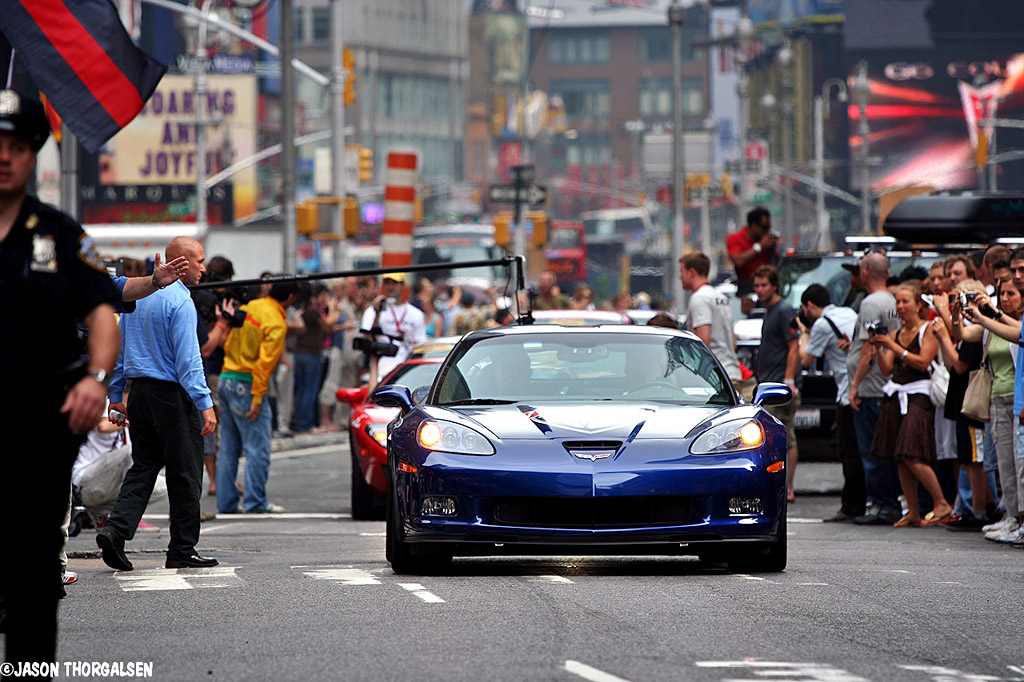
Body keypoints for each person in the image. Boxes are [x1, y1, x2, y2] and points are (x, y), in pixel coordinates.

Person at [0, 89, 120, 670]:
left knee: (30, 571)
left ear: (33, 157)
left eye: (17, 146)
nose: (4, 157)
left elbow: (102, 312)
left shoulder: (60, 234)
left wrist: (96, 377)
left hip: (40, 425)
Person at [99, 236, 218, 572]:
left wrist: (116, 394)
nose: (203, 269)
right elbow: (188, 361)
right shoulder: (181, 302)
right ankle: (182, 548)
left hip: (140, 396)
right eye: (199, 262)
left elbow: (121, 350)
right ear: (181, 263)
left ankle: (115, 530)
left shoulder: (140, 297)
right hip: (172, 396)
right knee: (186, 474)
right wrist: (204, 403)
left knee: (144, 466)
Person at [868, 281, 952, 527]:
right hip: (896, 394)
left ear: (918, 305)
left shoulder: (928, 330)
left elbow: (923, 362)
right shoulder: (895, 334)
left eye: (906, 301)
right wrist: (878, 349)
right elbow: (887, 370)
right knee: (900, 455)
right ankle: (913, 511)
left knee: (910, 451)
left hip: (918, 396)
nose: (901, 306)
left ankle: (941, 503)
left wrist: (893, 346)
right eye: (898, 302)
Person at [217, 280, 297, 515]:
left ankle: (226, 503)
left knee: (229, 448)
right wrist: (257, 396)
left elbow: (230, 340)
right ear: (290, 298)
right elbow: (264, 364)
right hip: (247, 384)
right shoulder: (276, 323)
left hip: (226, 377)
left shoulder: (249, 306)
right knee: (257, 448)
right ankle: (255, 502)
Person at [796, 284, 861, 522]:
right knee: (860, 451)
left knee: (848, 452)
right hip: (862, 387)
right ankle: (863, 501)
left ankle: (851, 507)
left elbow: (806, 360)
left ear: (810, 306)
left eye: (805, 309)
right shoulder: (849, 313)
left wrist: (804, 332)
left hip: (846, 392)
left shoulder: (822, 324)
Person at [847, 252, 901, 526]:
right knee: (882, 449)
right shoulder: (891, 300)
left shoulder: (870, 303)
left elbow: (869, 346)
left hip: (870, 388)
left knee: (871, 451)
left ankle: (882, 505)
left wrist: (854, 384)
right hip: (885, 386)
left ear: (865, 272)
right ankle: (886, 503)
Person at [752, 265, 800, 501]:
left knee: (785, 436)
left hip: (781, 387)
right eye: (757, 286)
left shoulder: (783, 311)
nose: (760, 290)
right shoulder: (770, 310)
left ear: (774, 286)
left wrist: (788, 381)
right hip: (770, 384)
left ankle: (788, 487)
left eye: (764, 285)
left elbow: (794, 346)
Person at [680, 252, 747, 398]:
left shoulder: (699, 298)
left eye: (682, 271)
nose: (680, 276)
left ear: (691, 272)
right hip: (733, 373)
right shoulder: (721, 297)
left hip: (714, 378)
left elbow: (703, 339)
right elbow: (733, 342)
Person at [361, 272, 427, 389]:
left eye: (395, 283)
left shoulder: (416, 314)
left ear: (403, 285)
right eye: (387, 283)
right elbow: (367, 340)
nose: (390, 287)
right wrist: (377, 314)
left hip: (407, 370)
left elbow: (420, 345)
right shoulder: (372, 311)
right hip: (382, 368)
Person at [726, 206, 779, 299]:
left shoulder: (767, 241)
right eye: (764, 227)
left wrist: (772, 248)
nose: (766, 231)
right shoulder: (735, 238)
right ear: (754, 225)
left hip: (768, 287)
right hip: (747, 287)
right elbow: (738, 261)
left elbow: (778, 263)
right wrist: (759, 247)